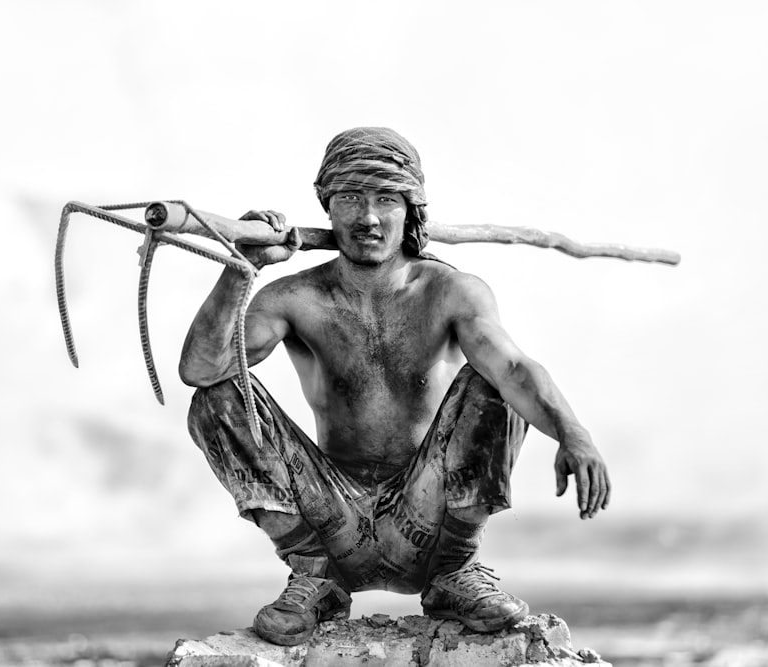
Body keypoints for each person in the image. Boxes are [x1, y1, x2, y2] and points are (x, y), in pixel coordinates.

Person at [180, 127, 610, 646]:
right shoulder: (295, 297)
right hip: (328, 520)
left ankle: (456, 572)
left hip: (431, 523)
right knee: (217, 399)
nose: (367, 218)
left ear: (411, 210)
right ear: (327, 207)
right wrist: (240, 267)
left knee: (494, 383)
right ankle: (315, 577)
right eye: (349, 199)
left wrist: (573, 434)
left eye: (386, 199)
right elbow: (203, 371)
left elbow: (515, 368)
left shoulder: (451, 291)